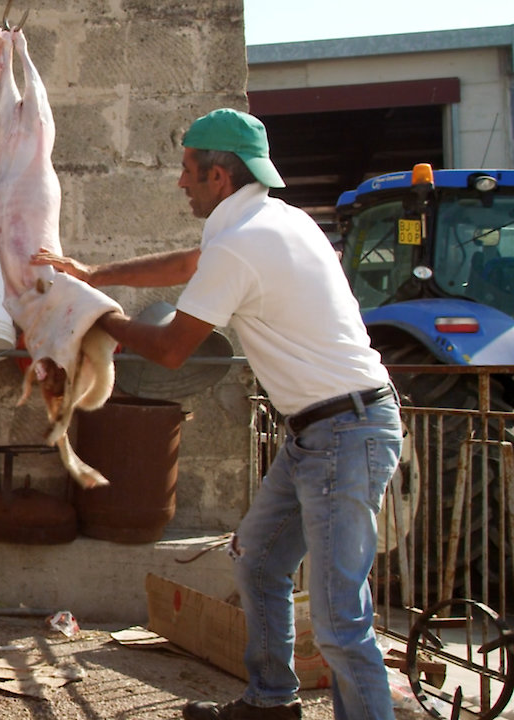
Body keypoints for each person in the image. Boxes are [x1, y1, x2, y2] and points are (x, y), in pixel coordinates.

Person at [34, 108, 402, 720]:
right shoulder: (273, 220)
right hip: (322, 430)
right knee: (257, 559)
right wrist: (96, 274)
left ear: (219, 176)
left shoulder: (244, 242)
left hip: (346, 432)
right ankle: (270, 701)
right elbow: (188, 265)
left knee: (339, 618)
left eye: (187, 170)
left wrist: (93, 317)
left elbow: (173, 350)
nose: (180, 182)